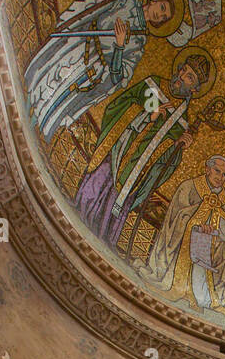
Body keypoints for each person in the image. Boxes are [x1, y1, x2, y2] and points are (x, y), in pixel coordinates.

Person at [24, 0, 188, 141]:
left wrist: (119, 46)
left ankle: (34, 127)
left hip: (89, 71)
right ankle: (24, 103)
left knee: (59, 97)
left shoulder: (139, 43)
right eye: (162, 8)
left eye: (165, 17)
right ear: (153, 0)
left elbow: (119, 76)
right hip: (78, 43)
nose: (161, 15)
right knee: (46, 74)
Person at [74, 54, 210, 249]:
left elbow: (164, 164)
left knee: (109, 219)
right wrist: (148, 114)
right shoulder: (151, 85)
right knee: (92, 191)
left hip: (135, 178)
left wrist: (178, 147)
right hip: (115, 156)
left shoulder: (182, 122)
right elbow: (117, 106)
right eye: (184, 69)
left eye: (189, 77)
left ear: (195, 89)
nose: (181, 75)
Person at [147, 154, 225, 315]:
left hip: (204, 246)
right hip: (182, 244)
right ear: (207, 169)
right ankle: (180, 288)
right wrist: (196, 224)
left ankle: (199, 297)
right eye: (217, 171)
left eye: (224, 175)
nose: (220, 177)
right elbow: (176, 216)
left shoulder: (222, 198)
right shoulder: (189, 186)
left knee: (212, 258)